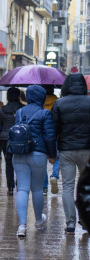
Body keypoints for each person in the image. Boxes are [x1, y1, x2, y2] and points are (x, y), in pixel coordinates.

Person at [12, 85, 57, 237]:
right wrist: (52, 155)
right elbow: (49, 136)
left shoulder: (19, 112)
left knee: (22, 188)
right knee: (37, 189)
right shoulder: (45, 113)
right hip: (38, 153)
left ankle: (22, 226)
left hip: (19, 153)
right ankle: (38, 220)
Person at [51, 73, 90, 235]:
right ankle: (85, 219)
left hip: (66, 149)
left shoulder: (59, 103)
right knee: (86, 186)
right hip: (87, 151)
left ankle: (71, 223)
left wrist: (52, 152)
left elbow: (54, 130)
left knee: (67, 185)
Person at [0, 87, 24, 195]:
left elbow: (0, 125)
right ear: (19, 96)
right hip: (20, 138)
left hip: (5, 138)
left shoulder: (3, 110)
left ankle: (10, 187)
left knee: (8, 163)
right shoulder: (23, 108)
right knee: (21, 162)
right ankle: (20, 184)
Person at [42, 85, 59, 195]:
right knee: (57, 157)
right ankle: (54, 175)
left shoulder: (41, 102)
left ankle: (44, 187)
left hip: (43, 134)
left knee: (42, 161)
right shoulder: (57, 101)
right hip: (56, 134)